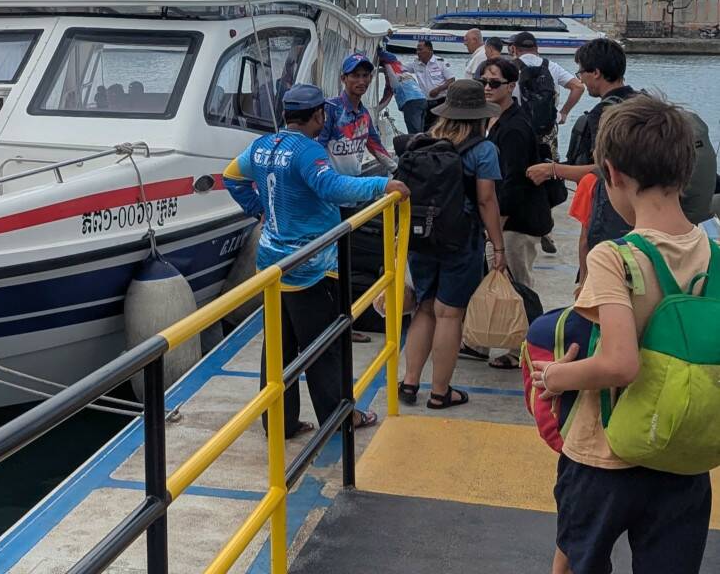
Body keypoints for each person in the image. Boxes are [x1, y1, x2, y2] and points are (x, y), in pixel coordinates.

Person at [530, 95, 713, 574]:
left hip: (605, 456)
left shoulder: (616, 257)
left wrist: (557, 378)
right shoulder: (714, 254)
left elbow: (619, 363)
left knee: (579, 561)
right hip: (684, 454)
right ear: (686, 169)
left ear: (610, 173)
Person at [223, 84, 410, 437]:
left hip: (272, 263)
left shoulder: (263, 146)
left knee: (278, 348)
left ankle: (279, 423)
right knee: (324, 346)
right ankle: (339, 418)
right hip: (311, 264)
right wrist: (380, 186)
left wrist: (258, 210)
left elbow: (232, 176)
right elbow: (332, 187)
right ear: (317, 116)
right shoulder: (308, 151)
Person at [398, 79, 506, 409]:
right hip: (461, 240)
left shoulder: (422, 142)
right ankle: (440, 392)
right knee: (449, 315)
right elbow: (486, 200)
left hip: (421, 237)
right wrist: (499, 248)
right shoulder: (483, 150)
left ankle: (410, 382)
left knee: (424, 308)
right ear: (479, 116)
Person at [527, 39, 636, 258]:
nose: (581, 80)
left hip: (612, 213)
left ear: (595, 72)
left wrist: (552, 170)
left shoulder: (604, 113)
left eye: (581, 73)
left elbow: (605, 169)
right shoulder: (641, 102)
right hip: (640, 210)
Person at [481, 57, 552, 369]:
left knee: (519, 284)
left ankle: (521, 348)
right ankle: (487, 340)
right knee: (502, 282)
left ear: (511, 86)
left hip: (516, 222)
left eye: (494, 83)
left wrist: (495, 227)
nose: (487, 87)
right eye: (483, 81)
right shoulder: (494, 119)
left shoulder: (514, 128)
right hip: (502, 217)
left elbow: (513, 184)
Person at [509, 31, 584, 254]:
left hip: (519, 128)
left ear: (515, 48)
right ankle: (546, 227)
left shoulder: (510, 67)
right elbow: (578, 87)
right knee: (547, 174)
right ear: (536, 47)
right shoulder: (550, 66)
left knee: (518, 173)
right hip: (547, 131)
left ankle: (521, 224)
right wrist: (563, 113)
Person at [318, 52, 397, 174]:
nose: (361, 81)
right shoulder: (330, 109)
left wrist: (396, 170)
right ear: (343, 79)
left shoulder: (364, 114)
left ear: (370, 79)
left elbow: (375, 146)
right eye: (355, 75)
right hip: (330, 184)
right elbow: (317, 148)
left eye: (365, 75)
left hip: (353, 184)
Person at [378, 44, 429, 133]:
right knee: (420, 131)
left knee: (414, 132)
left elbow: (387, 97)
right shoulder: (402, 69)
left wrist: (375, 110)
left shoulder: (391, 74)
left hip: (410, 101)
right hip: (422, 100)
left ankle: (415, 145)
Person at [406, 39, 454, 114]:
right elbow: (401, 68)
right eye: (417, 50)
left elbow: (451, 80)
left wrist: (438, 89)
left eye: (420, 49)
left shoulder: (440, 62)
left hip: (441, 101)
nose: (418, 52)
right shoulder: (415, 64)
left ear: (429, 49)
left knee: (440, 124)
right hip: (426, 103)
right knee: (426, 125)